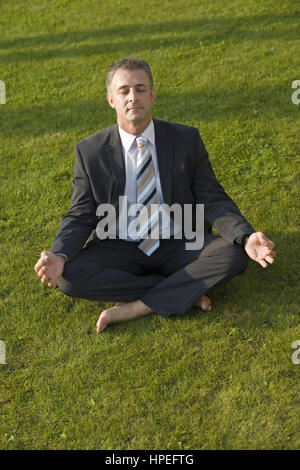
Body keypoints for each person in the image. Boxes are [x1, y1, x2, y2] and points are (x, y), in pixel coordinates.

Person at [34, 57, 276, 333]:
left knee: (232, 256)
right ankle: (184, 288)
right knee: (71, 277)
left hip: (178, 241)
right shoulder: (90, 151)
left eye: (140, 88)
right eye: (124, 90)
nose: (133, 97)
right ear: (111, 99)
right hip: (119, 244)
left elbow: (212, 197)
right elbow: (81, 214)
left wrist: (246, 236)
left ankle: (137, 306)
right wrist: (59, 254)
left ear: (152, 94)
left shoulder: (186, 140)